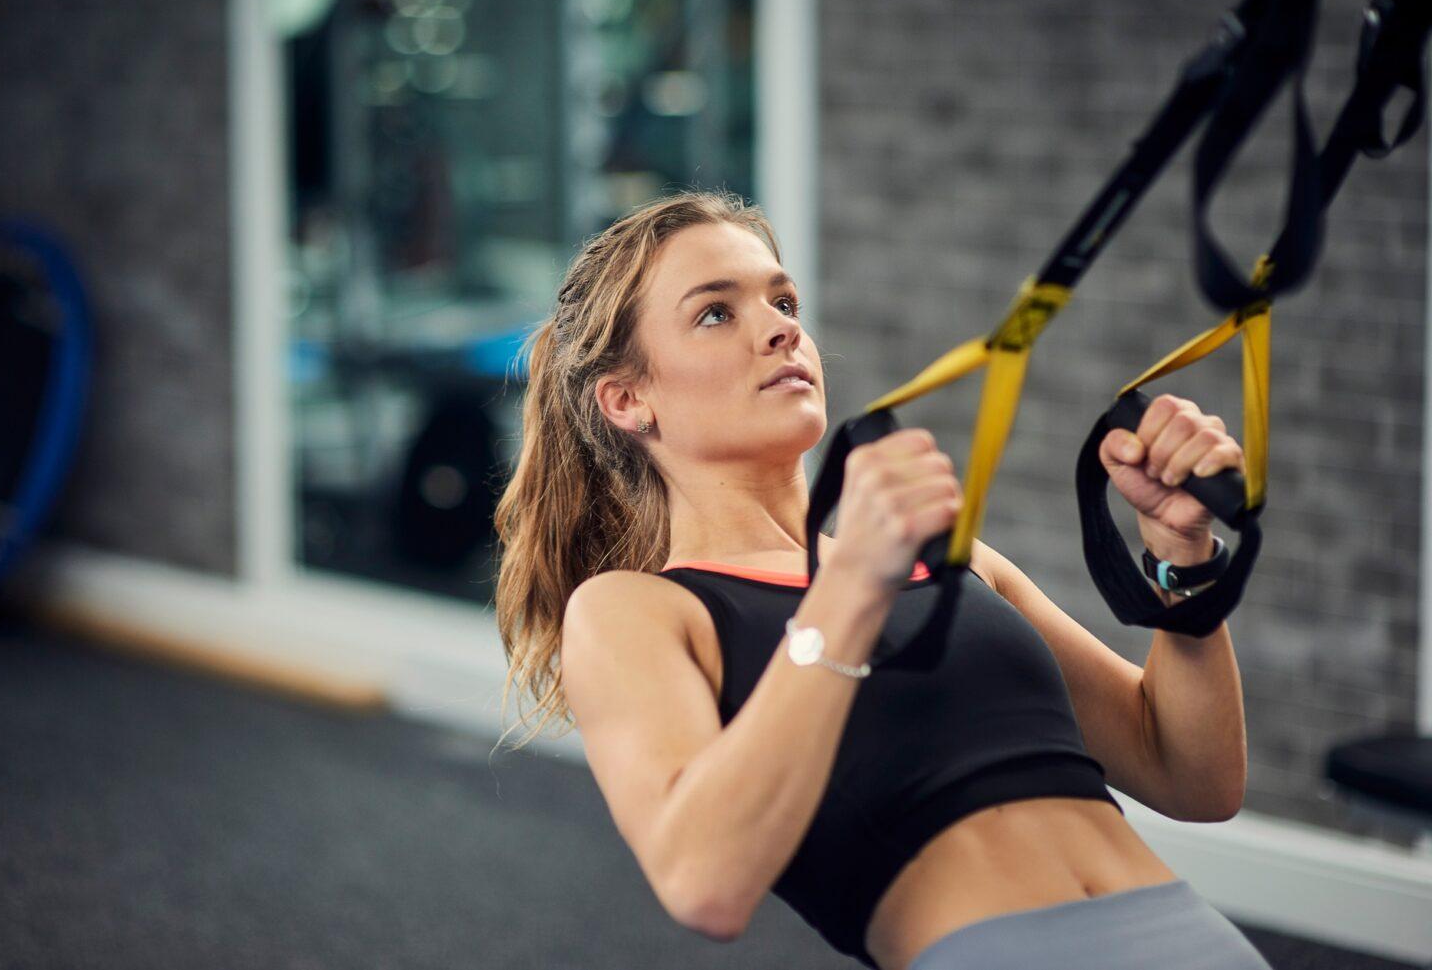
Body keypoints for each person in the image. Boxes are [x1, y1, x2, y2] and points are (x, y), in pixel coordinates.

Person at [491, 189, 1272, 970]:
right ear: (629, 399)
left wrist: (1182, 560)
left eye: (782, 299)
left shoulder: (950, 558)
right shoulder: (637, 609)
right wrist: (849, 587)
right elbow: (704, 883)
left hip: (1196, 939)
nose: (780, 327)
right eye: (715, 313)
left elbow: (1193, 777)